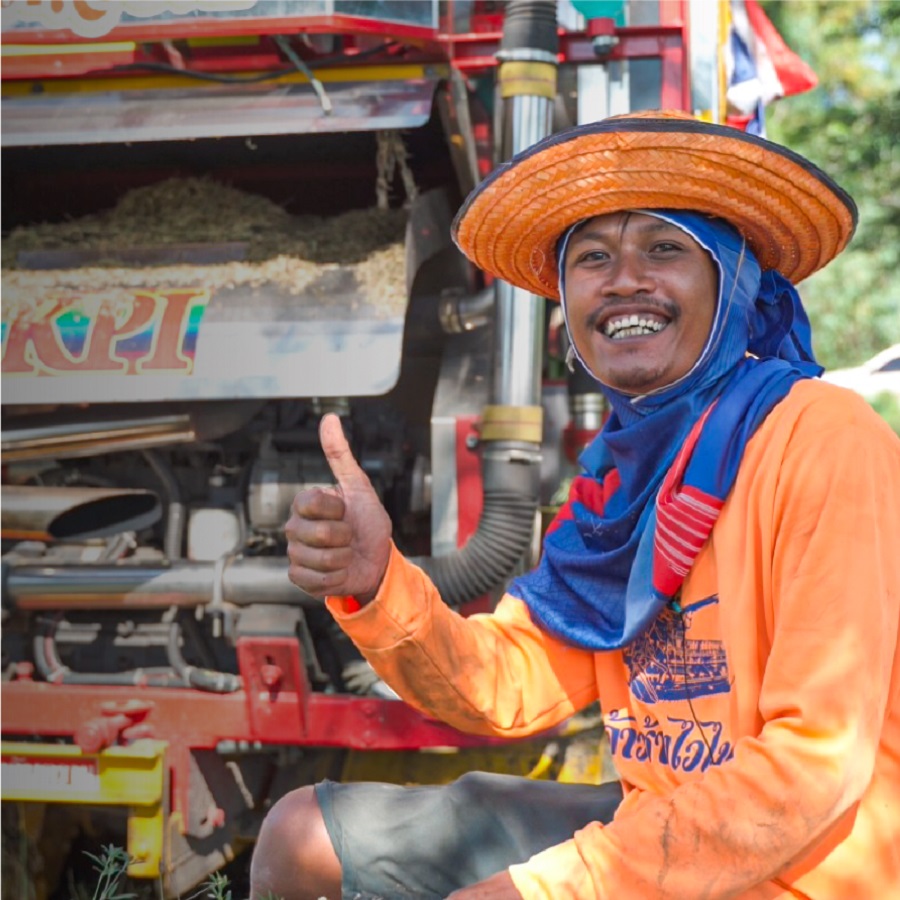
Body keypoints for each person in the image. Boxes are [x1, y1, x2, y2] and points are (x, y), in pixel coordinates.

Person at [250, 110, 900, 899]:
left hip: (803, 873)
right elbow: (510, 685)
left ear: (732, 283)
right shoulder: (617, 485)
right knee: (300, 837)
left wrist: (556, 888)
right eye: (593, 257)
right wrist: (380, 583)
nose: (625, 278)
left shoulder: (823, 439)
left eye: (664, 248)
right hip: (656, 832)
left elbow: (812, 768)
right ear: (568, 308)